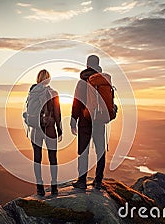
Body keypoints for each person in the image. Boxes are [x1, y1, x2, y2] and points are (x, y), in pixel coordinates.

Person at [70, 55, 106, 190]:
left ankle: (82, 181)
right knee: (100, 151)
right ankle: (98, 181)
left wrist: (73, 120)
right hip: (100, 121)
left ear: (87, 65)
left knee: (83, 151)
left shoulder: (82, 82)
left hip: (85, 120)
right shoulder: (103, 81)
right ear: (97, 65)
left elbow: (76, 102)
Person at [28, 69, 62, 196]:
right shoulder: (53, 93)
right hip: (49, 129)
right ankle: (54, 187)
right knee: (52, 158)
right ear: (49, 79)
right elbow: (57, 114)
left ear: (38, 79)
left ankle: (39, 188)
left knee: (37, 159)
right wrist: (59, 130)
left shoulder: (32, 92)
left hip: (35, 129)